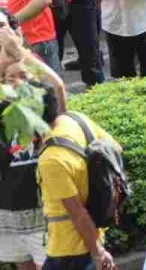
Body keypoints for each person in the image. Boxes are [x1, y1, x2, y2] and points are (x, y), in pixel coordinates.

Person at [0, 22, 62, 270]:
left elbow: (56, 86)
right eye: (9, 79)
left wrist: (20, 53)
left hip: (44, 210)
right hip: (8, 212)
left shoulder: (41, 99)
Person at [37, 112, 118, 270]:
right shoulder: (77, 119)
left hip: (68, 249)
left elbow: (78, 213)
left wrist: (98, 253)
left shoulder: (51, 159)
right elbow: (115, 148)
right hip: (93, 236)